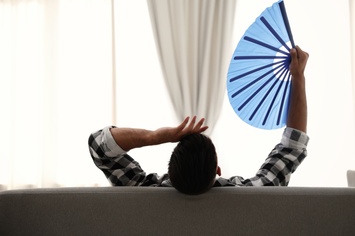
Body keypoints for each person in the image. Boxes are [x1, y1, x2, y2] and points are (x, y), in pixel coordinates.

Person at [88, 46, 309, 195]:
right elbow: (292, 147)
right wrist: (297, 76)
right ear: (218, 170)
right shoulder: (255, 193)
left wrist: (157, 136)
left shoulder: (143, 192)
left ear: (171, 171)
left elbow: (99, 145)